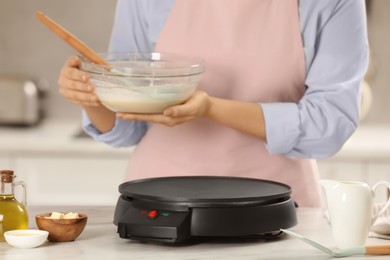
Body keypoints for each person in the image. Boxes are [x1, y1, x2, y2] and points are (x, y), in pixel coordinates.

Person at [58, 0, 368, 207]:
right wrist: (92, 95)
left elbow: (330, 124)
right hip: (158, 205)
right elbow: (127, 129)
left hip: (278, 206)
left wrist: (211, 108)